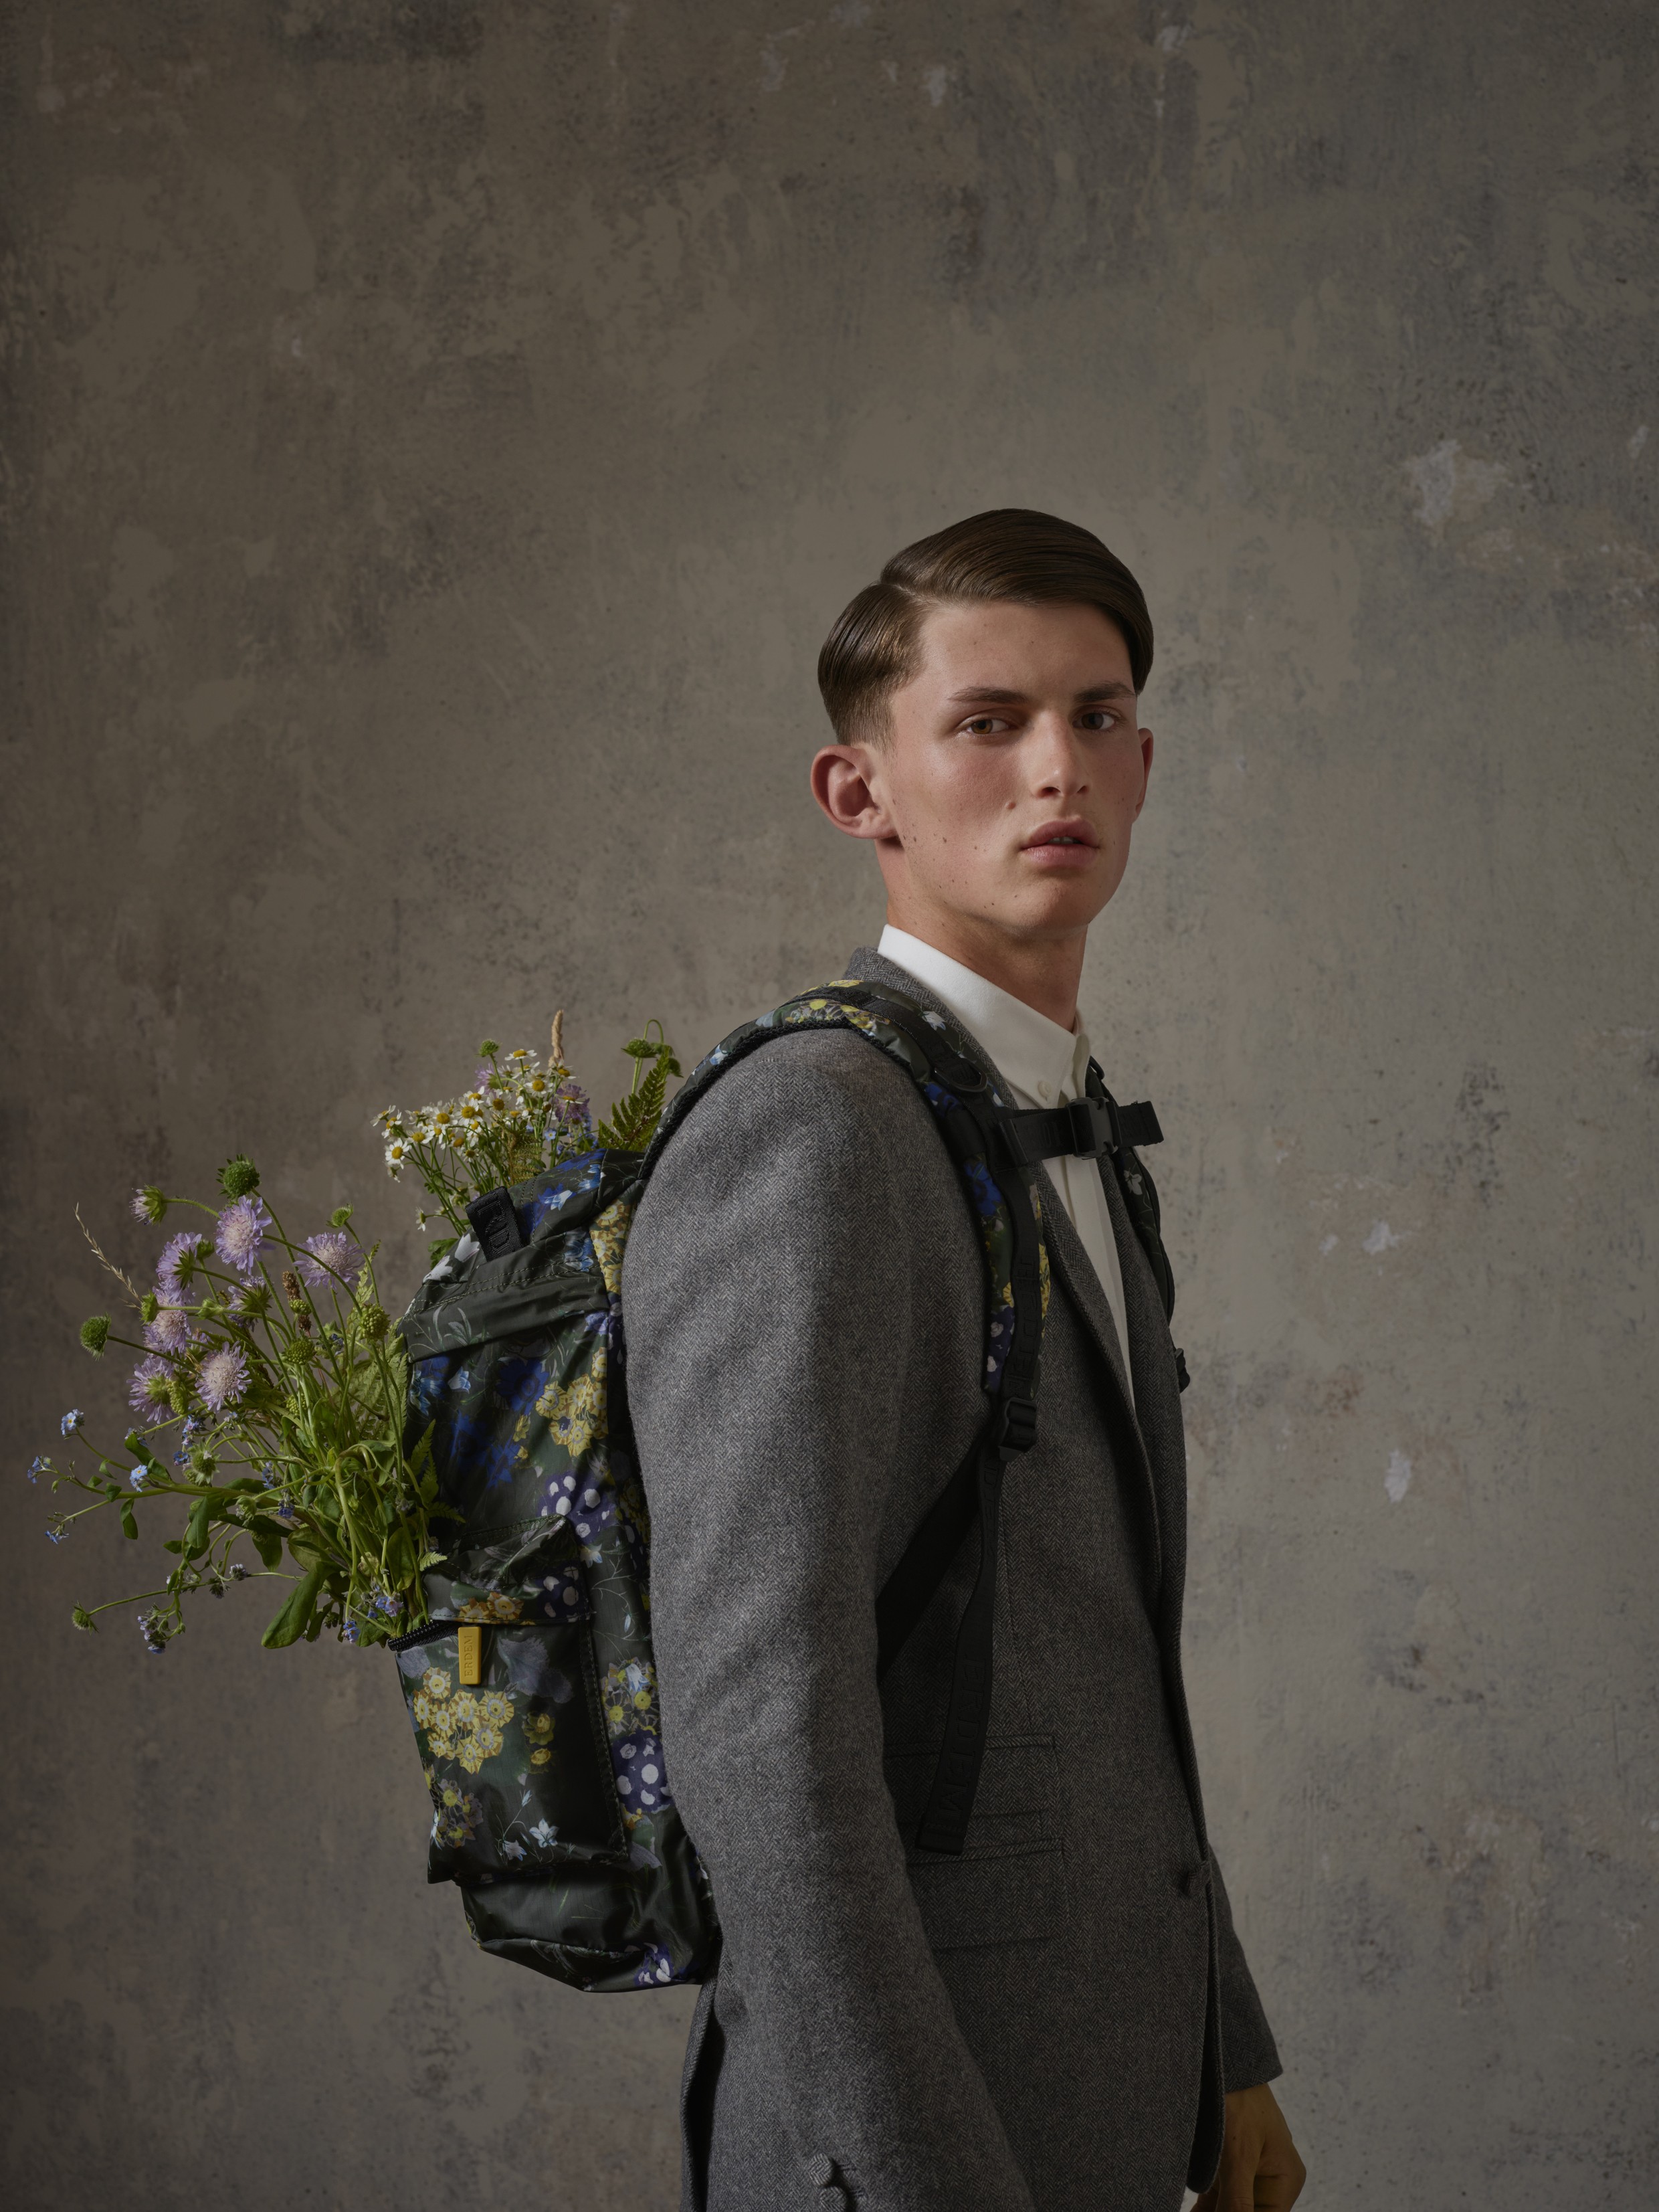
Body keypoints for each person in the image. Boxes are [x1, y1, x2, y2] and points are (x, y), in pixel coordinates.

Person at [623, 510, 1307, 2212]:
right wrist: (921, 2178)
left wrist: (1220, 2048)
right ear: (858, 791)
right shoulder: (816, 1133)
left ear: (1142, 762)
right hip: (913, 2127)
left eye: (1095, 715)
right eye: (988, 722)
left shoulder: (1071, 1122)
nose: (1054, 767)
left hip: (1115, 2080)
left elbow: (1101, 1660)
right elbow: (761, 1739)